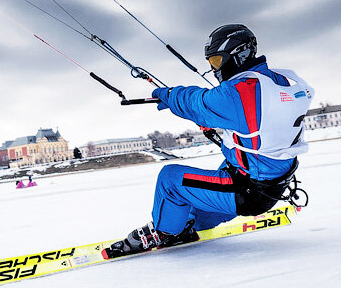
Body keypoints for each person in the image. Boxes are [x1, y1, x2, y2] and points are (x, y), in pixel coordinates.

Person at [107, 24, 313, 258]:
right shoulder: (283, 82)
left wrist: (169, 95)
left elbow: (197, 103)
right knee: (198, 207)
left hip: (247, 192)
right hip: (273, 182)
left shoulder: (241, 91)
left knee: (171, 179)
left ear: (239, 55)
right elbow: (260, 121)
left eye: (216, 61)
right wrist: (219, 120)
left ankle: (163, 232)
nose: (214, 69)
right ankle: (188, 225)